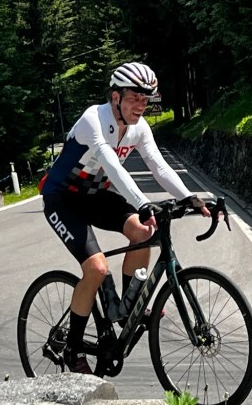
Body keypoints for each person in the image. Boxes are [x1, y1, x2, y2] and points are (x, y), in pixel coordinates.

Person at [41, 60, 209, 374]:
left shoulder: (139, 128)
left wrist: (189, 197)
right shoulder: (94, 119)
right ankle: (73, 348)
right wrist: (142, 202)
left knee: (144, 231)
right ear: (116, 96)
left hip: (95, 197)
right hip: (62, 199)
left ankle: (128, 308)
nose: (141, 106)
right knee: (96, 268)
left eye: (146, 100)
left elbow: (158, 165)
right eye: (134, 98)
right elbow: (112, 166)